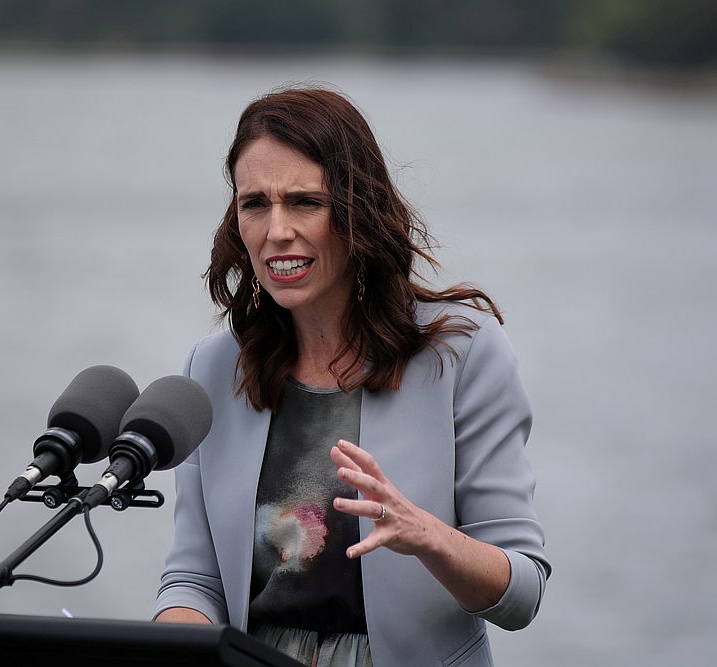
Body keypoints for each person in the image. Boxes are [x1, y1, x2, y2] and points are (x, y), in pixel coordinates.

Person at [153, 87, 550, 666]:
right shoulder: (213, 369)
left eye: (305, 202)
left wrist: (426, 533)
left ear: (358, 210)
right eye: (255, 203)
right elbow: (193, 579)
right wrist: (171, 648)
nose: (276, 230)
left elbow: (521, 595)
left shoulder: (461, 353)